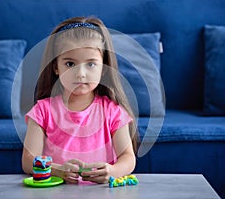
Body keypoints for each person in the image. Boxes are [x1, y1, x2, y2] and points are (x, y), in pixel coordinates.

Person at [22, 16, 138, 184]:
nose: (80, 74)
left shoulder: (113, 111)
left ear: (103, 68)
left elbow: (128, 158)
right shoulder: (42, 111)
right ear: (56, 67)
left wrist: (112, 171)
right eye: (70, 64)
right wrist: (57, 170)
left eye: (90, 64)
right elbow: (27, 160)